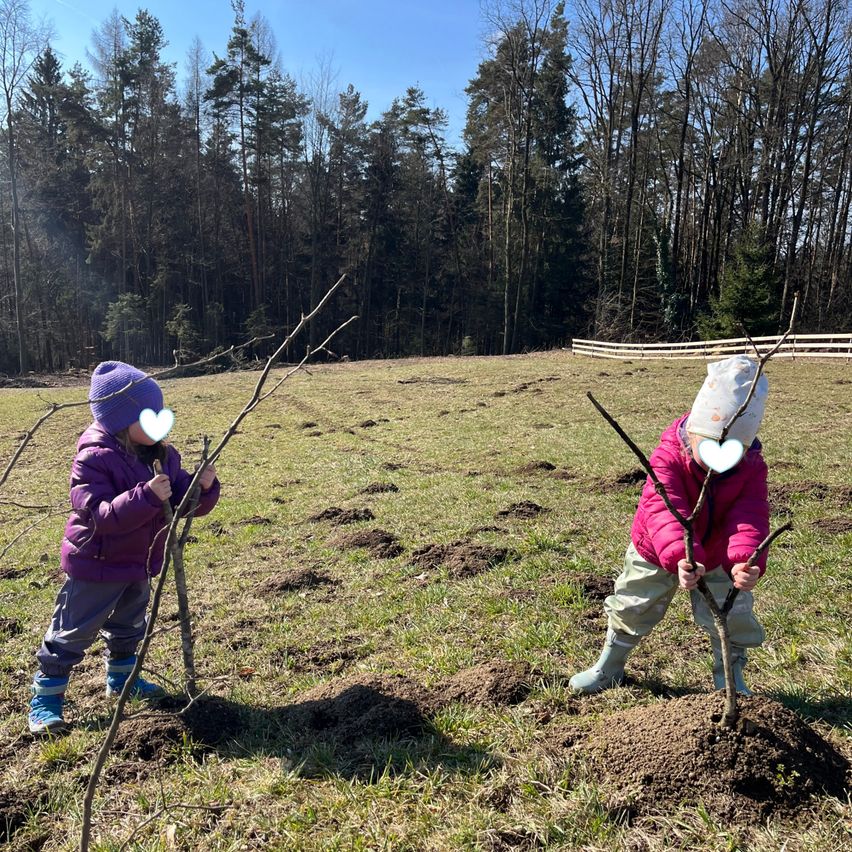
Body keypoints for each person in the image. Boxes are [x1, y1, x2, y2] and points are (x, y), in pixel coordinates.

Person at [28, 361, 220, 734]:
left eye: (161, 412)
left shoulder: (164, 455)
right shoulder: (94, 459)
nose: (160, 421)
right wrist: (144, 497)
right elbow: (99, 516)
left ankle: (121, 679)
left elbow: (181, 504)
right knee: (73, 631)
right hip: (96, 564)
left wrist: (202, 487)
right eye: (149, 415)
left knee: (129, 624)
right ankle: (46, 697)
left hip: (140, 561)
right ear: (120, 421)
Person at [570, 354, 770, 696]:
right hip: (657, 548)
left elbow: (750, 514)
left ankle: (730, 679)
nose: (717, 462)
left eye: (730, 452)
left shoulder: (751, 467)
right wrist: (679, 554)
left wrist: (744, 559)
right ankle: (610, 664)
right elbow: (662, 508)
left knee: (732, 613)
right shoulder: (667, 457)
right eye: (709, 447)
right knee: (634, 603)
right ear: (692, 430)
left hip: (721, 552)